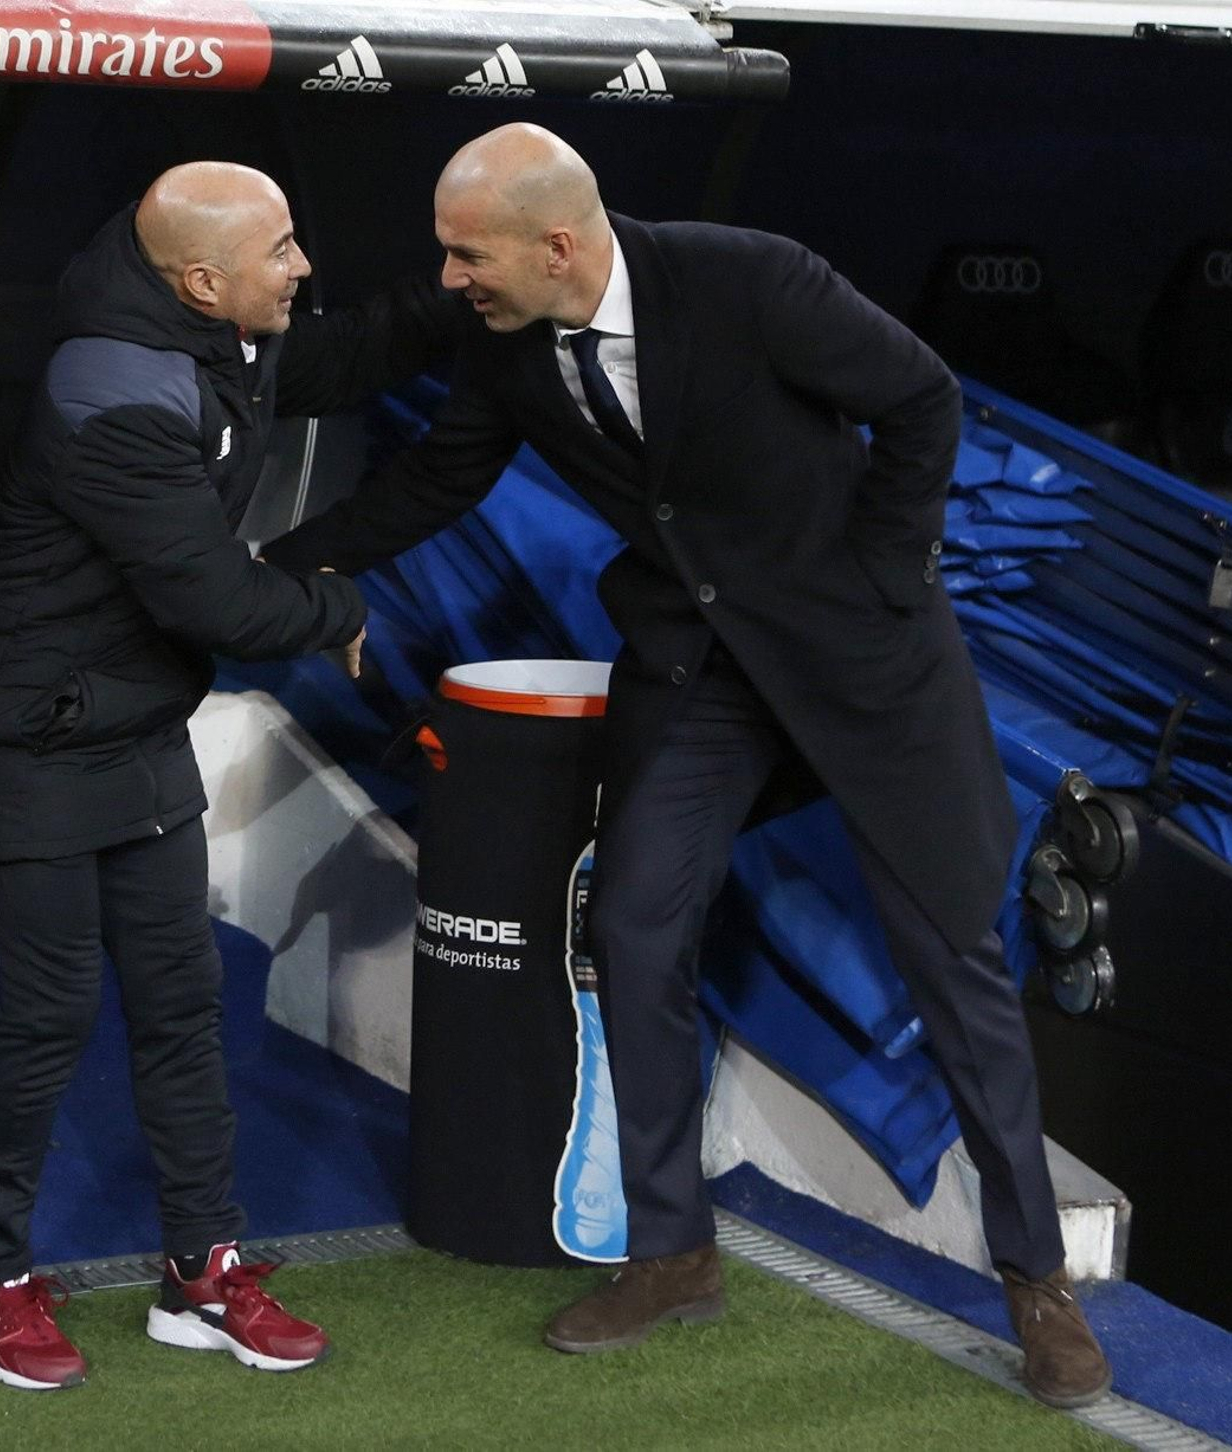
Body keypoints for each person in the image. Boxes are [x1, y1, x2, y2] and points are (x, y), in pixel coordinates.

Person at [259, 123, 1113, 1409]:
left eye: (464, 251)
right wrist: (268, 572)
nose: (447, 278)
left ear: (557, 243)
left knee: (953, 966)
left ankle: (1037, 1289)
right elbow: (435, 482)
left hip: (863, 669)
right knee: (637, 925)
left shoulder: (751, 279)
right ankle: (671, 1252)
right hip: (699, 672)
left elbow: (921, 400)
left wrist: (882, 578)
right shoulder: (504, 339)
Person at [0, 160, 454, 1390]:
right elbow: (212, 596)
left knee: (178, 997)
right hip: (23, 728)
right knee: (53, 1011)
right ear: (205, 280)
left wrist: (455, 296)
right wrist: (336, 604)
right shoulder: (110, 387)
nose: (302, 266)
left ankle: (199, 1274)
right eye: (281, 249)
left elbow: (340, 356)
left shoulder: (223, 332)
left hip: (134, 716)